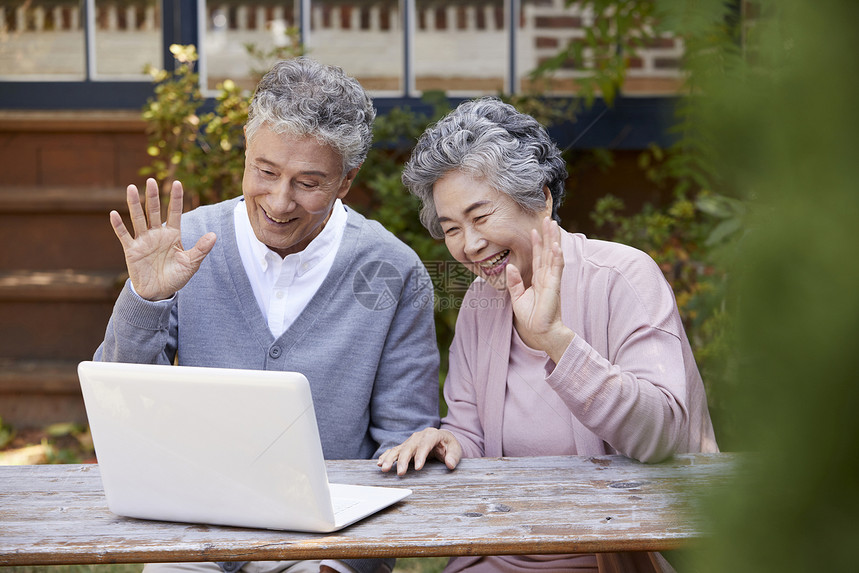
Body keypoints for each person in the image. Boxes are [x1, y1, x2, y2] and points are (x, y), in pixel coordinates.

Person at [95, 58, 440, 573]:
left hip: (328, 536)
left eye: (309, 182)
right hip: (193, 523)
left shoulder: (393, 270)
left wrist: (349, 541)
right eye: (266, 171)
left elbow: (404, 440)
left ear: (346, 182)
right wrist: (145, 301)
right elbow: (119, 408)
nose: (280, 201)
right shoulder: (182, 244)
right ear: (246, 150)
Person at [377, 97, 718, 573]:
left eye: (480, 217)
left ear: (541, 199)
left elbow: (662, 435)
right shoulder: (480, 300)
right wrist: (447, 444)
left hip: (613, 557)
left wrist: (557, 341)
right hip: (498, 556)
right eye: (452, 228)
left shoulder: (622, 277)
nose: (469, 245)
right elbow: (470, 433)